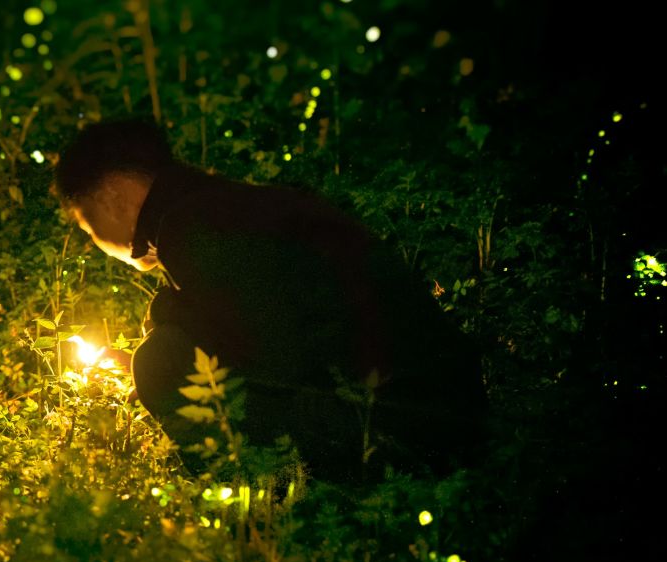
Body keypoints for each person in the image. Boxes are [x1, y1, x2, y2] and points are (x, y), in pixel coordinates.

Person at [55, 119, 485, 482]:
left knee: (161, 361)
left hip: (401, 428)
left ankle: (260, 504)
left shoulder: (193, 226)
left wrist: (169, 321)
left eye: (87, 225)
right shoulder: (224, 205)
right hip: (442, 409)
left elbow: (273, 359)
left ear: (113, 196)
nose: (94, 239)